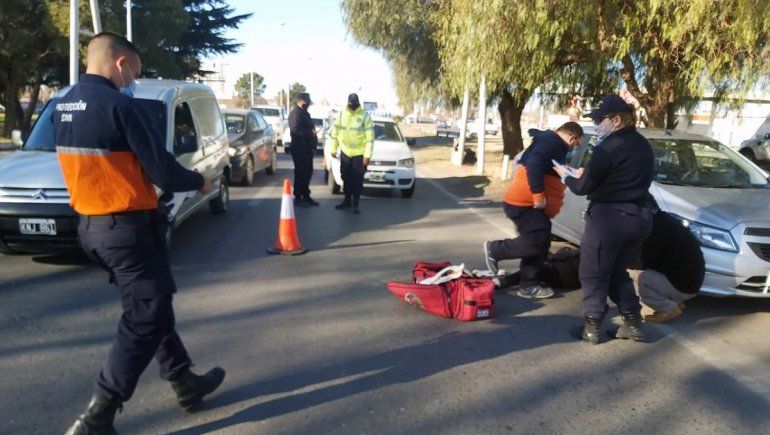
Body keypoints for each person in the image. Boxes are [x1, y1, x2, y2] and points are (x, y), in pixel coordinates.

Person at [54, 32, 225, 434]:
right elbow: (163, 170)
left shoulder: (64, 105)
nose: (133, 80)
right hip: (127, 229)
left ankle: (184, 381)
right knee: (145, 316)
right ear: (120, 63)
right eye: (134, 71)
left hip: (92, 228)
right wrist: (198, 180)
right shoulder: (119, 106)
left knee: (152, 307)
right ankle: (100, 412)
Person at [553, 94, 655, 345]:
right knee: (616, 271)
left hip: (610, 219)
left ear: (617, 120)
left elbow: (583, 187)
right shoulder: (644, 145)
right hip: (640, 218)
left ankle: (592, 326)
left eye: (600, 120)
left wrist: (566, 176)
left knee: (593, 272)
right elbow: (622, 177)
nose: (597, 124)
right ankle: (633, 323)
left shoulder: (607, 147)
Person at [483, 122, 584, 299]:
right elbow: (535, 164)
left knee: (540, 241)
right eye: (576, 144)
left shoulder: (550, 142)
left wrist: (572, 172)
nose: (575, 148)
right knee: (537, 240)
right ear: (572, 137)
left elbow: (548, 167)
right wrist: (538, 195)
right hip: (525, 202)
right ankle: (495, 250)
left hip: (526, 203)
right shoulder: (552, 143)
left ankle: (529, 284)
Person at [628, 210, 704, 322]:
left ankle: (667, 308)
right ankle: (677, 301)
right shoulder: (668, 222)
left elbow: (646, 262)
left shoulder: (653, 231)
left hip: (683, 286)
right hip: (694, 283)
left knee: (637, 276)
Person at [329, 93, 374, 215]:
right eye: (351, 103)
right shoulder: (342, 115)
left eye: (354, 103)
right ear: (348, 102)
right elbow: (335, 133)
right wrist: (333, 148)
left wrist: (367, 155)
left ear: (358, 103)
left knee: (357, 180)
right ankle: (347, 200)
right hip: (345, 152)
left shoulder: (365, 117)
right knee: (345, 178)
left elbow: (370, 138)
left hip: (359, 154)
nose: (352, 105)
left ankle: (356, 203)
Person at [288, 92, 319, 206]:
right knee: (301, 172)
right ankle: (298, 196)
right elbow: (295, 130)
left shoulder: (305, 114)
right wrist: (310, 133)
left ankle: (305, 195)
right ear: (300, 101)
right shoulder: (296, 114)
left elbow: (311, 128)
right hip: (299, 147)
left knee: (307, 172)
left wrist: (313, 141)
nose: (308, 104)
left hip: (307, 148)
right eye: (306, 102)